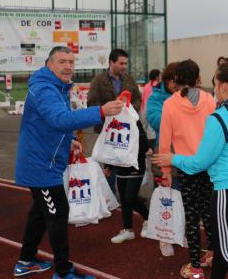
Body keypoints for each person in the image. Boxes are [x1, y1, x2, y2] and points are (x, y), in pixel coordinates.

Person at [152, 62, 228, 279]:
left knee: (226, 252)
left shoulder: (218, 119)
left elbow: (200, 163)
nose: (213, 89)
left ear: (225, 88)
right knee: (222, 248)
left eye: (215, 84)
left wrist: (173, 158)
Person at [13, 46, 123, 279]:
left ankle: (25, 260)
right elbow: (58, 119)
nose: (68, 67)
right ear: (49, 64)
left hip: (46, 162)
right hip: (41, 166)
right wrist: (101, 111)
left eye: (71, 62)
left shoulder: (57, 87)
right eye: (62, 62)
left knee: (40, 212)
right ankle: (63, 272)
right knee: (57, 213)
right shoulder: (44, 88)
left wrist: (70, 140)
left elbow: (52, 123)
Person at [159, 59, 216, 279]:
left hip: (185, 168)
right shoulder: (209, 99)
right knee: (210, 214)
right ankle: (211, 253)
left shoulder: (170, 104)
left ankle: (195, 266)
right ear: (197, 77)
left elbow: (165, 144)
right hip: (210, 166)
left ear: (175, 80)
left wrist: (165, 172)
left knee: (192, 217)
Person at [87, 48, 142, 193]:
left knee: (125, 163)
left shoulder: (129, 79)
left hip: (126, 131)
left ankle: (127, 197)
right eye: (121, 63)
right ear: (111, 62)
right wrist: (109, 111)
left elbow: (137, 99)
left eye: (126, 64)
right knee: (108, 165)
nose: (124, 66)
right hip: (106, 131)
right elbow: (92, 103)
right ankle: (109, 197)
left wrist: (128, 110)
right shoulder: (98, 81)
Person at [145, 61, 179, 257]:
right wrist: (180, 120)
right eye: (174, 81)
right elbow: (156, 120)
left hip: (185, 151)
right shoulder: (156, 97)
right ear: (166, 80)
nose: (177, 85)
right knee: (164, 195)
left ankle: (178, 230)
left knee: (182, 195)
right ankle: (163, 238)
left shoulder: (186, 94)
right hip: (163, 149)